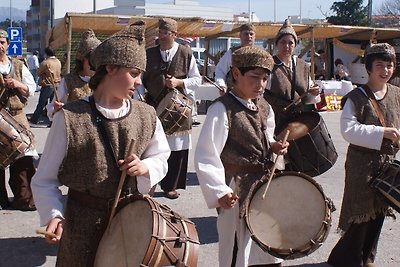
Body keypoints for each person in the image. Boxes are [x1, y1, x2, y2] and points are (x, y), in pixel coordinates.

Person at [31, 21, 171, 266]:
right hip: (81, 226)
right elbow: (44, 180)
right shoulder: (70, 118)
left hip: (132, 222)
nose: (139, 82)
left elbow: (162, 156)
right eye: (134, 74)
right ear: (110, 68)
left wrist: (146, 167)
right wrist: (54, 215)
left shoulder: (147, 114)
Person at [195, 46, 289, 267]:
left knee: (267, 246)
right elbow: (206, 154)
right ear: (236, 74)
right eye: (255, 77)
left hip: (264, 187)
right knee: (238, 251)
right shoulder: (222, 109)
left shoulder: (265, 107)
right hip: (235, 192)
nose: (261, 84)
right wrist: (220, 191)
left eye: (265, 79)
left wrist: (275, 146)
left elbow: (266, 137)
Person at [328, 43, 400, 267]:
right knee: (360, 213)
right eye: (380, 65)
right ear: (369, 67)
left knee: (378, 212)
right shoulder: (356, 97)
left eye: (390, 65)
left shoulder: (397, 93)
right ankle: (349, 260)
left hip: (387, 163)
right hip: (362, 165)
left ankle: (366, 258)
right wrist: (383, 132)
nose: (386, 70)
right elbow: (348, 130)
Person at [139, 18, 201, 199]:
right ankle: (149, 183)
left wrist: (178, 82)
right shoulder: (149, 54)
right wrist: (141, 95)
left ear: (174, 35)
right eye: (160, 32)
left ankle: (170, 186)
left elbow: (196, 80)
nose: (162, 35)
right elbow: (140, 80)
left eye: (166, 33)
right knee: (151, 147)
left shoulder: (186, 53)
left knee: (176, 150)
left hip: (178, 109)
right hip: (152, 106)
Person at [0, 29, 38, 211]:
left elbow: (31, 88)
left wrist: (17, 84)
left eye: (2, 42)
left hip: (17, 116)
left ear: (7, 44)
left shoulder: (18, 65)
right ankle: (1, 199)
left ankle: (24, 199)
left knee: (24, 155)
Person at [264, 19, 321, 130]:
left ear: (295, 45)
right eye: (283, 42)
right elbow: (260, 94)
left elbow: (309, 95)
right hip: (275, 121)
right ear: (277, 44)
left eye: (290, 43)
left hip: (298, 121)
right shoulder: (269, 65)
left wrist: (314, 92)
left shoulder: (302, 66)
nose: (287, 46)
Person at [46, 29, 100, 120]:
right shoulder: (69, 80)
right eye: (91, 59)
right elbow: (52, 108)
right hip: (75, 128)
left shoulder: (104, 80)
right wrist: (56, 109)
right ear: (83, 59)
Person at [215, 23, 256, 93]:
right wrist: (221, 85)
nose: (249, 36)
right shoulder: (232, 53)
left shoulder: (260, 54)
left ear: (255, 37)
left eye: (251, 34)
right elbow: (220, 70)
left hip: (254, 94)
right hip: (234, 94)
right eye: (246, 34)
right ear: (240, 36)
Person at [30, 47, 61, 124]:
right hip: (57, 84)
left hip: (48, 85)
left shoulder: (46, 62)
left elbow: (38, 72)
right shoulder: (58, 61)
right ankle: (52, 121)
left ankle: (34, 119)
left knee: (42, 103)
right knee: (53, 104)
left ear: (46, 53)